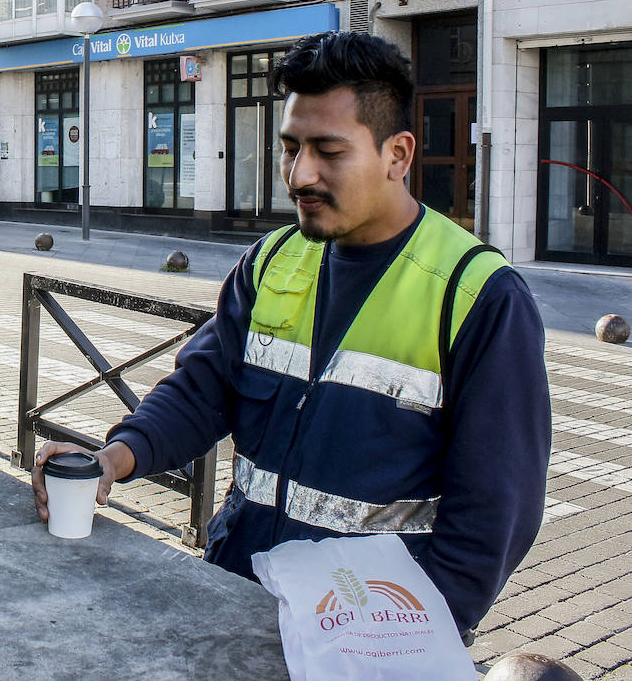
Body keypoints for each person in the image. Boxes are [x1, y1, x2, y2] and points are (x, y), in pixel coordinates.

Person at [32, 31, 550, 638]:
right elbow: (203, 391)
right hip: (238, 592)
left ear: (398, 154)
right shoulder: (272, 261)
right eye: (289, 149)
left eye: (328, 151)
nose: (300, 174)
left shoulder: (479, 296)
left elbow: (493, 519)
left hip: (370, 638)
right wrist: (111, 459)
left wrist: (409, 641)